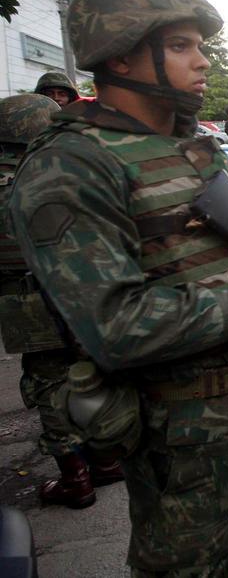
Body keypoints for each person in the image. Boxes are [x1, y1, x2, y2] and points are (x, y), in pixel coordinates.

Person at [8, 0, 228, 575]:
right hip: (186, 446)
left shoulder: (192, 148)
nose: (203, 62)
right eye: (181, 45)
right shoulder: (71, 166)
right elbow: (115, 324)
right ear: (121, 57)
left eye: (201, 46)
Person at [0, 94, 124, 509]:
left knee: (49, 384)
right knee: (91, 373)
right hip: (87, 294)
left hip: (30, 301)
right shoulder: (76, 170)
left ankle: (76, 478)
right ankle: (106, 460)